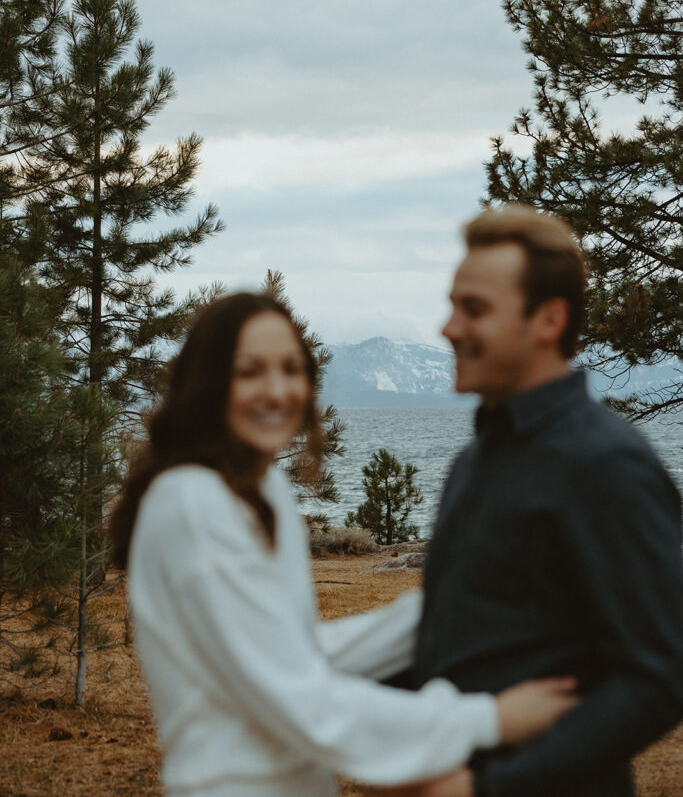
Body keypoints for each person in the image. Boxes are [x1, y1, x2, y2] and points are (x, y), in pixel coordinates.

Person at [109, 291, 577, 797]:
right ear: (207, 384)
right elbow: (301, 700)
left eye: (292, 369)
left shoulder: (260, 491)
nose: (277, 390)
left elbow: (295, 655)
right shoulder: (193, 504)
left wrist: (442, 610)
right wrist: (488, 720)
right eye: (250, 371)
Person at [413, 205, 683, 797]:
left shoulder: (605, 464)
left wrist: (491, 790)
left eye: (474, 309)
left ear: (549, 320)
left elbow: (662, 675)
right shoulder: (474, 462)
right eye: (454, 305)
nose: (449, 328)